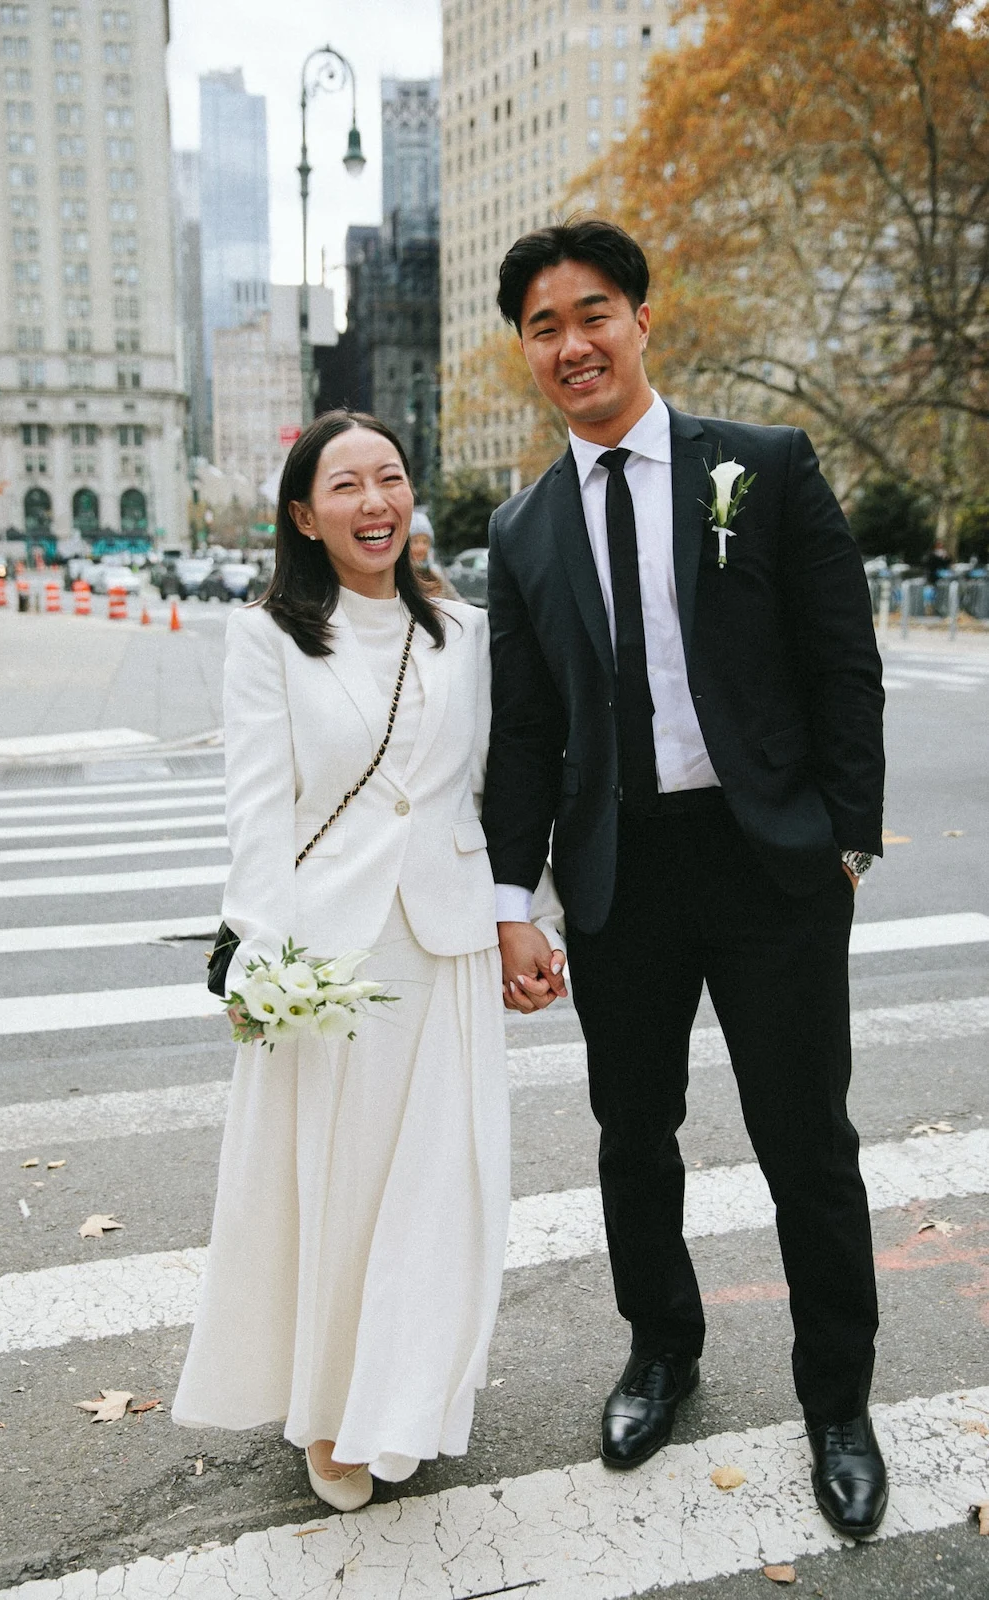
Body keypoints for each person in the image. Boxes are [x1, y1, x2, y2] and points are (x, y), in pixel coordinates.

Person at [481, 220, 888, 1539]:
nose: (571, 344)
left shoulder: (757, 467)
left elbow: (841, 661)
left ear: (642, 323)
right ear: (528, 354)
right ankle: (661, 1353)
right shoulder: (525, 527)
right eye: (542, 327)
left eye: (591, 313)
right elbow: (527, 734)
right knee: (630, 1135)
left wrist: (847, 834)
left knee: (803, 1144)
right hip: (620, 875)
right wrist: (510, 902)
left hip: (767, 860)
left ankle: (837, 1399)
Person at [172, 410, 560, 1510]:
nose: (374, 501)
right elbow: (257, 808)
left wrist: (520, 914)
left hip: (443, 942)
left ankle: (409, 1395)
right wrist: (265, 951)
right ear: (304, 513)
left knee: (444, 1183)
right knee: (335, 1192)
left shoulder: (468, 631)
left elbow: (502, 786)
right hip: (328, 957)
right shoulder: (269, 637)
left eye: (389, 477)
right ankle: (336, 1406)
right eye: (346, 484)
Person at [409, 509, 459, 599]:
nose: (421, 547)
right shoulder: (403, 572)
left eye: (425, 542)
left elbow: (453, 596)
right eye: (415, 542)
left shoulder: (436, 571)